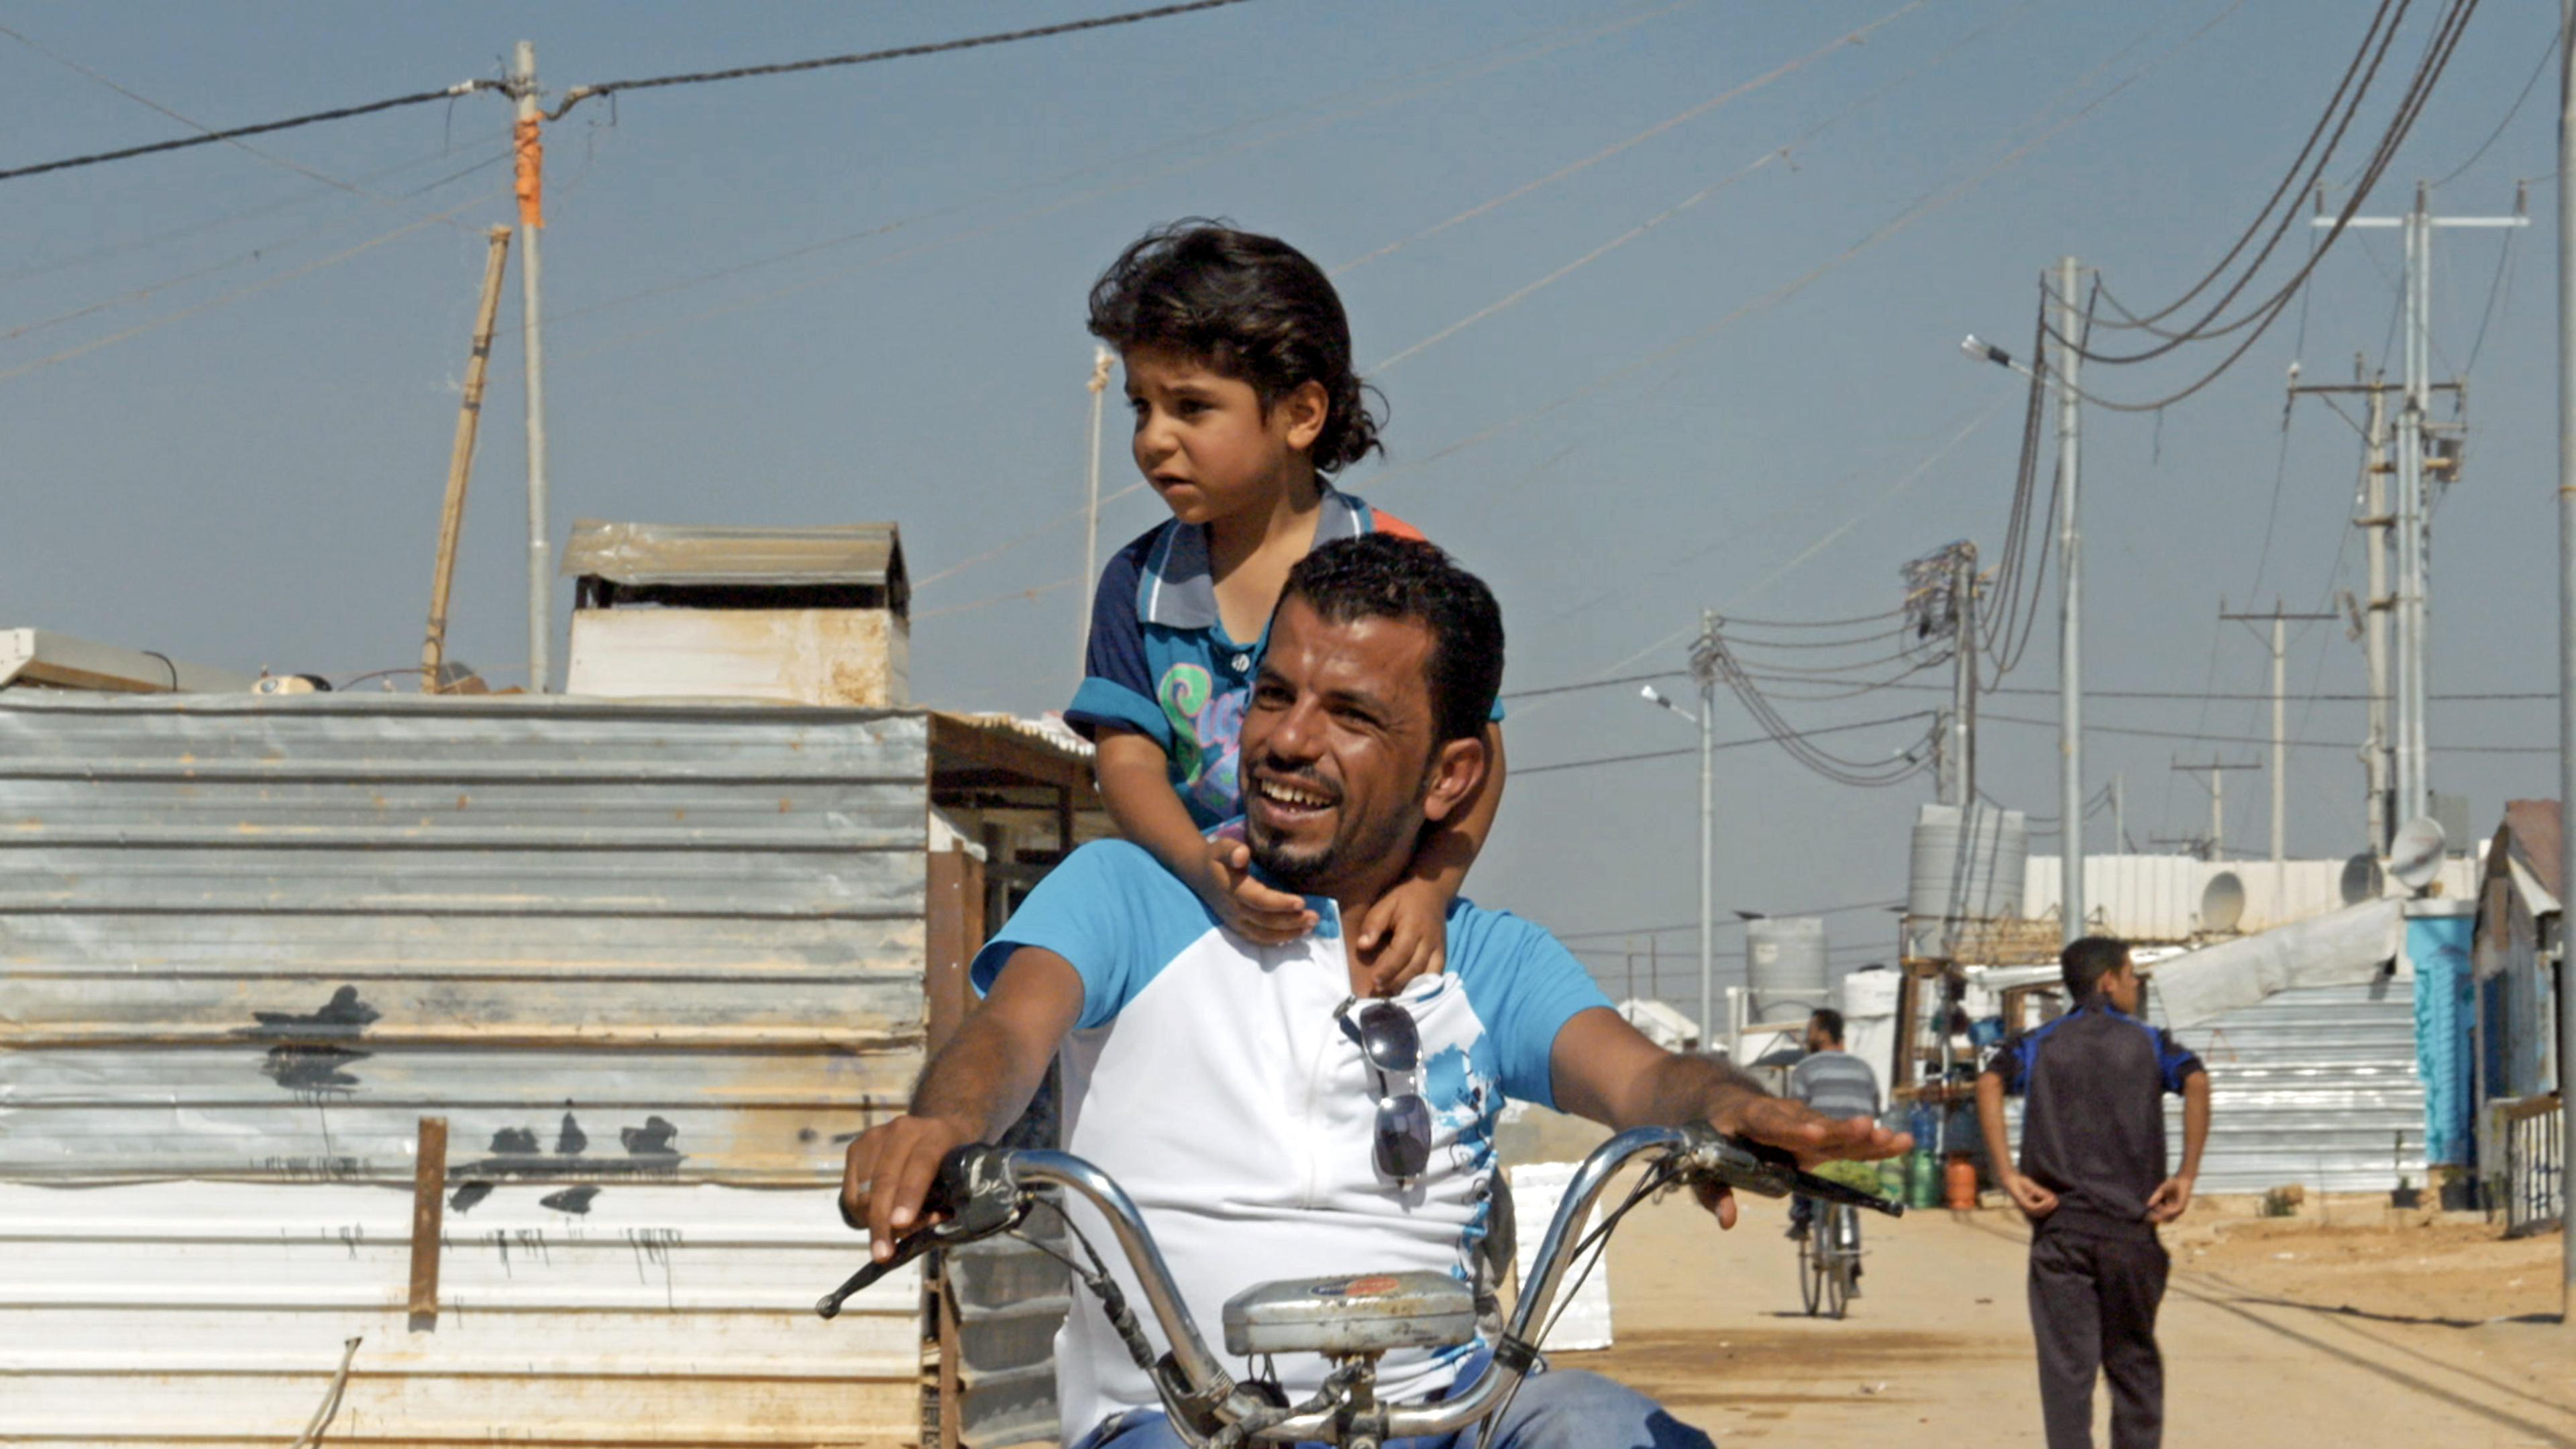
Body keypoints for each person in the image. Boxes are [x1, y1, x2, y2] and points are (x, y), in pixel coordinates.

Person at [847, 535, 1907, 1449]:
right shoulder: (1129, 896)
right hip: (1180, 1419)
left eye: (1350, 713)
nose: (1288, 740)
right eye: (1273, 693)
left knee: (1604, 1430)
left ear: (1448, 777)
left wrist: (1722, 1108)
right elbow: (1008, 1031)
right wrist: (941, 1127)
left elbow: (1644, 1079)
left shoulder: (1486, 960)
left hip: (1444, 1413)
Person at [1067, 221, 1502, 996]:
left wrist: (1430, 891)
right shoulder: (1135, 582)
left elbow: (1478, 753)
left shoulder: (1395, 569)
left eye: (1192, 407)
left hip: (1362, 942)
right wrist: (1200, 871)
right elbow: (1126, 758)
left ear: (1302, 414)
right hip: (1202, 934)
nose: (1154, 439)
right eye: (1141, 407)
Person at [1975, 936, 2212, 1449]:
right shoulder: (2149, 1043)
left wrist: (2008, 1174)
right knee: (2133, 1366)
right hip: (2130, 1234)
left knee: (2067, 1374)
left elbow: (1989, 1082)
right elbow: (2196, 1080)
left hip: (2061, 1234)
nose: (2134, 987)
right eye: (2131, 977)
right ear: (2108, 979)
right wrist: (2186, 1175)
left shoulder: (2038, 1043)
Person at [1783, 1008, 1881, 1246]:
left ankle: (1802, 1217)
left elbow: (1797, 1112)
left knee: (1798, 1160)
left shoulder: (1806, 1067)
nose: (1807, 1035)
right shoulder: (1863, 1067)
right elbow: (1875, 1109)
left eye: (1811, 1030)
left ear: (1824, 1034)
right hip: (1857, 1144)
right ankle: (1853, 1266)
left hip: (1823, 1144)